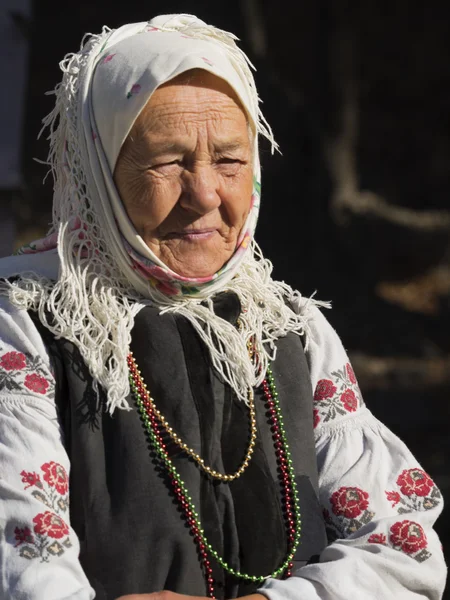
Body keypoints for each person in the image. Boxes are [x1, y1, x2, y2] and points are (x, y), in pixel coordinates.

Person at [0, 13, 446, 600]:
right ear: (97, 171)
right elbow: (22, 564)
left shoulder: (290, 328)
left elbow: (402, 548)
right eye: (167, 161)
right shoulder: (26, 322)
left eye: (230, 160)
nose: (205, 193)